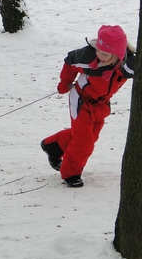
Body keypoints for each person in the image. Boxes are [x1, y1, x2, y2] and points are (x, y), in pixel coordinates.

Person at [41, 25, 135, 187]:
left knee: (89, 137)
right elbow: (70, 61)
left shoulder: (128, 65)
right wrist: (65, 83)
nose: (99, 55)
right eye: (98, 50)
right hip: (81, 100)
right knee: (84, 141)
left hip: (101, 104)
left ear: (118, 55)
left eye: (105, 54)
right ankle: (70, 173)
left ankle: (54, 145)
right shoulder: (88, 56)